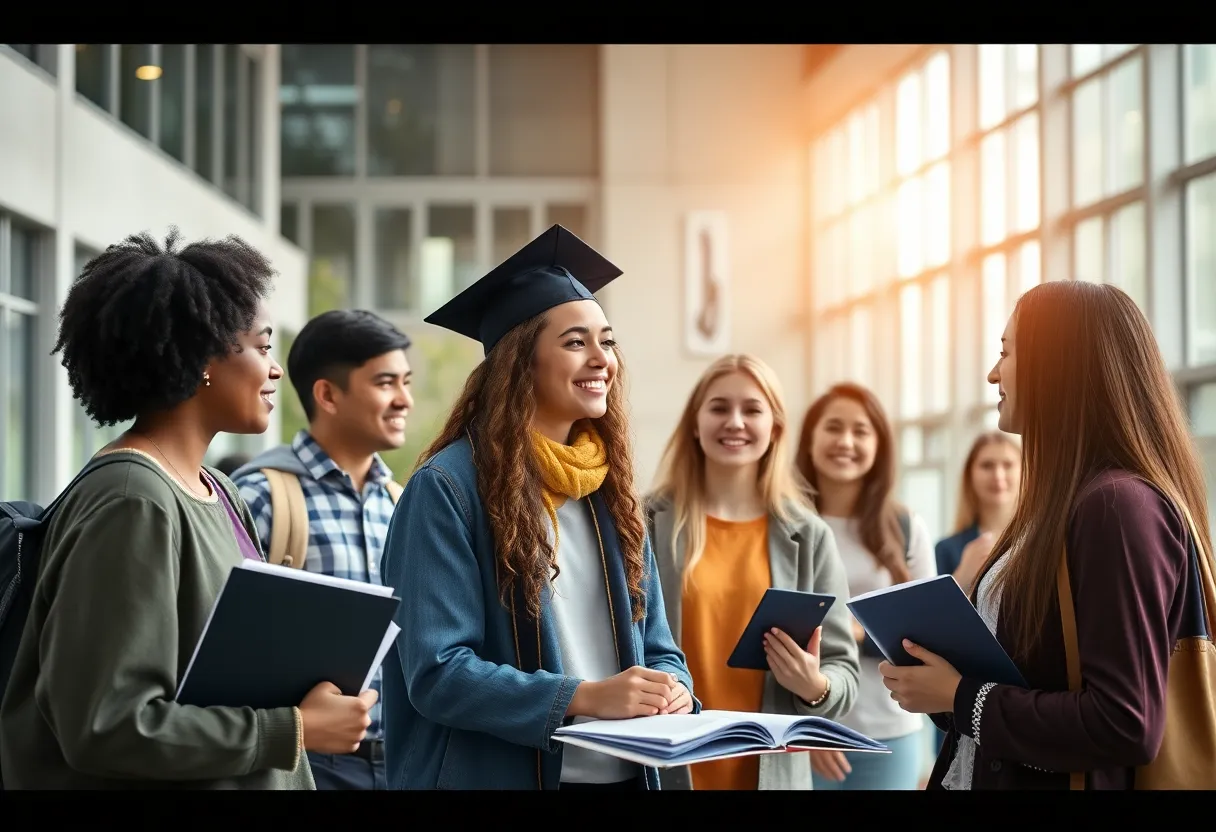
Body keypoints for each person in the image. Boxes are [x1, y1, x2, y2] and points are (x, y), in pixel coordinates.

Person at [0, 229, 375, 789]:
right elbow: (106, 724)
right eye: (263, 346)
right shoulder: (132, 499)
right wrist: (292, 729)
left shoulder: (217, 488)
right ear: (202, 356)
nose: (276, 370)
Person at [379, 224, 697, 791]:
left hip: (626, 779)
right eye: (575, 342)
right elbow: (438, 671)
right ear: (520, 362)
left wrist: (671, 686)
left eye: (607, 340)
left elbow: (658, 647)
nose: (602, 358)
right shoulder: (449, 489)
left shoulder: (611, 490)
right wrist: (585, 697)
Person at [881, 281, 1212, 789]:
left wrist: (960, 696)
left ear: (1059, 365)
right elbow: (1035, 679)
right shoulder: (1058, 506)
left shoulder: (1117, 508)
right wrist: (939, 689)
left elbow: (1125, 723)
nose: (994, 374)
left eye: (1006, 353)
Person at [647, 354, 859, 790]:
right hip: (665, 765)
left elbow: (843, 672)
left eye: (752, 409)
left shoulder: (810, 536)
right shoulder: (644, 521)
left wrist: (814, 686)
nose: (736, 422)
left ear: (776, 428)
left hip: (769, 772)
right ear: (694, 422)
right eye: (719, 407)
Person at [231, 309, 413, 790]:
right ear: (327, 394)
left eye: (406, 382)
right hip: (304, 764)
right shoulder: (260, 496)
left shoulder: (403, 503)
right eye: (385, 383)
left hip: (403, 760)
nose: (404, 400)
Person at [794, 382, 936, 790]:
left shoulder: (907, 527)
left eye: (861, 431)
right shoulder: (785, 524)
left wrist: (843, 632)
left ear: (879, 445)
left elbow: (924, 636)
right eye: (833, 428)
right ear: (810, 438)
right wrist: (810, 724)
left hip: (890, 729)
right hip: (806, 728)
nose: (846, 441)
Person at [935, 432, 1022, 599]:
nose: (998, 475)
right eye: (987, 465)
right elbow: (934, 620)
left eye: (1008, 465)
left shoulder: (1041, 540)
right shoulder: (946, 550)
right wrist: (960, 580)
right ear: (970, 475)